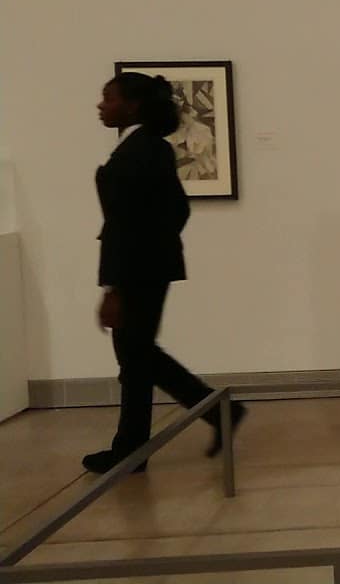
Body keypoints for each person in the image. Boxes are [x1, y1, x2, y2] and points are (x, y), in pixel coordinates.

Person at [84, 73, 245, 474]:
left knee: (136, 356)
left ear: (132, 105)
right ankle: (140, 446)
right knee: (138, 358)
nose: (101, 105)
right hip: (145, 267)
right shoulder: (144, 147)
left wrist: (115, 286)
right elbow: (172, 211)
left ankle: (203, 418)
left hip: (136, 270)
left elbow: (128, 223)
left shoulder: (143, 149)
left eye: (108, 98)